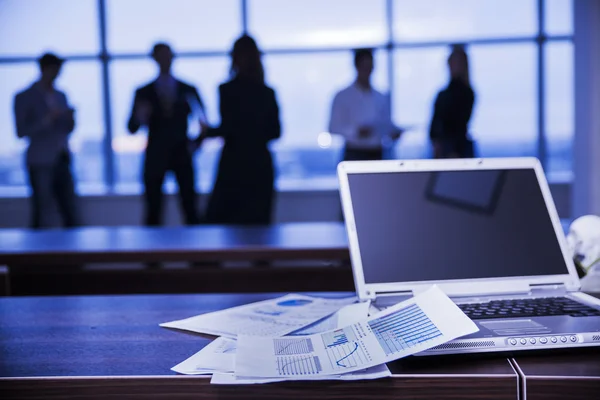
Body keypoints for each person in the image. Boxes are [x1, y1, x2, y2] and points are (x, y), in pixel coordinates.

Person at [200, 35, 281, 225]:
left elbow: (230, 128)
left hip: (234, 165)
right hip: (258, 166)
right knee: (260, 232)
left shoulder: (226, 90)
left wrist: (209, 132)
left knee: (216, 225)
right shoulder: (267, 93)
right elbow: (275, 132)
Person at [128, 42, 205, 226]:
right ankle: (151, 253)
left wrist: (195, 144)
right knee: (153, 210)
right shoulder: (143, 92)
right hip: (155, 154)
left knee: (190, 208)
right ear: (154, 59)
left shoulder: (188, 89)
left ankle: (197, 253)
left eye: (167, 55)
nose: (165, 60)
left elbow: (203, 123)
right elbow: (132, 127)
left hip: (181, 153)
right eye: (161, 56)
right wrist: (141, 116)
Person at [13, 52, 79, 229]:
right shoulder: (24, 96)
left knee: (70, 210)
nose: (58, 74)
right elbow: (21, 131)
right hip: (40, 160)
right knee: (42, 210)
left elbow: (67, 129)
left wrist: (70, 119)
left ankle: (74, 254)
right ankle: (37, 255)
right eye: (55, 69)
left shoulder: (61, 95)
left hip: (62, 157)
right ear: (45, 69)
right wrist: (47, 119)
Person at [329, 48, 403, 161]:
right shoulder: (342, 96)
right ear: (357, 67)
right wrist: (356, 132)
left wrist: (393, 133)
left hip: (377, 152)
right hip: (354, 152)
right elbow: (333, 127)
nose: (367, 71)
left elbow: (386, 125)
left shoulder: (381, 97)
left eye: (370, 67)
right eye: (364, 66)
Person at [429, 44, 476, 159]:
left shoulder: (466, 93)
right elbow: (434, 124)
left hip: (457, 149)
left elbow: (458, 124)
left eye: (457, 63)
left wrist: (453, 150)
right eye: (452, 63)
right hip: (443, 149)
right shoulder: (442, 94)